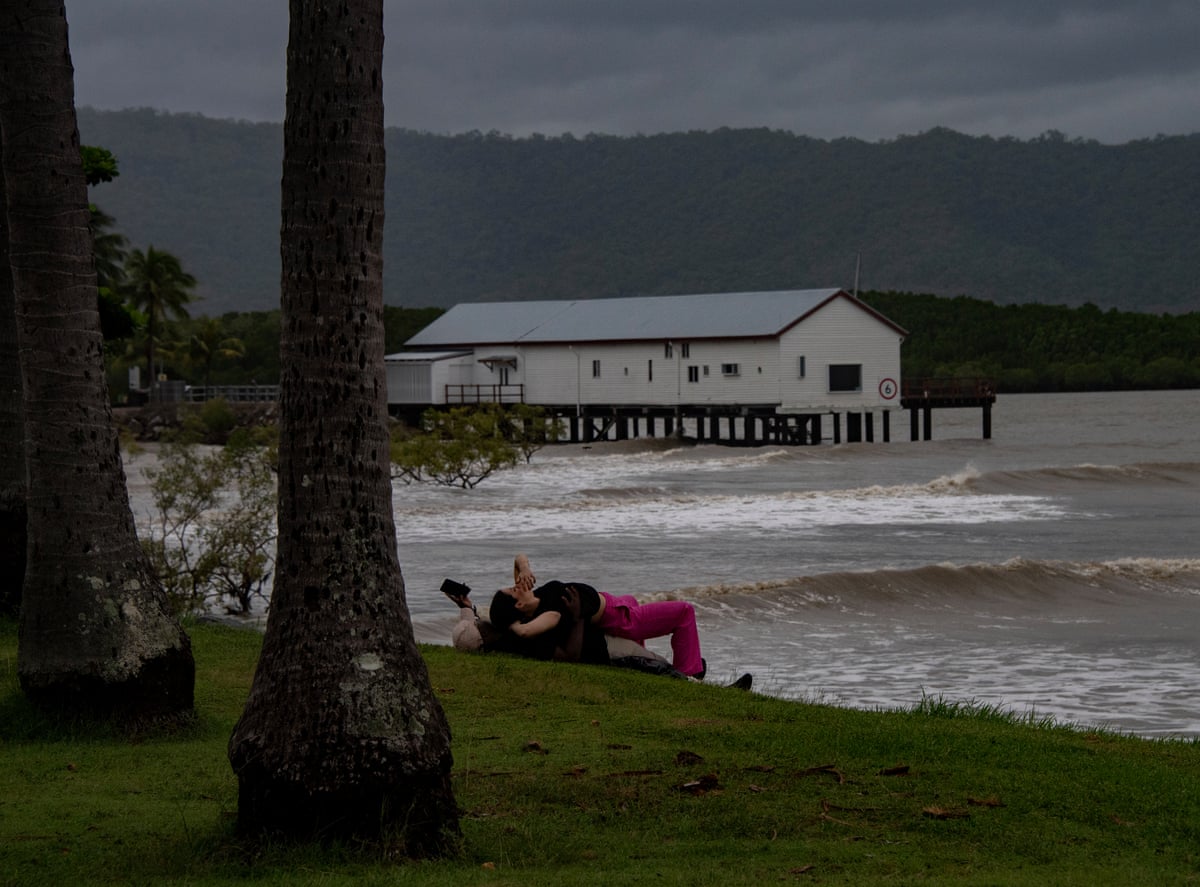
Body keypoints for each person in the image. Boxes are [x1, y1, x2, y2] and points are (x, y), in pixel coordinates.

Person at [495, 554, 707, 679]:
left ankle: (653, 667)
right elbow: (528, 629)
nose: (517, 584)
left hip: (614, 601)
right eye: (513, 589)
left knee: (632, 602)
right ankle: (689, 675)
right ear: (519, 604)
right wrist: (514, 626)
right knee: (684, 612)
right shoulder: (547, 612)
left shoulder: (536, 598)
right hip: (620, 617)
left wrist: (524, 569)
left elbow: (519, 558)